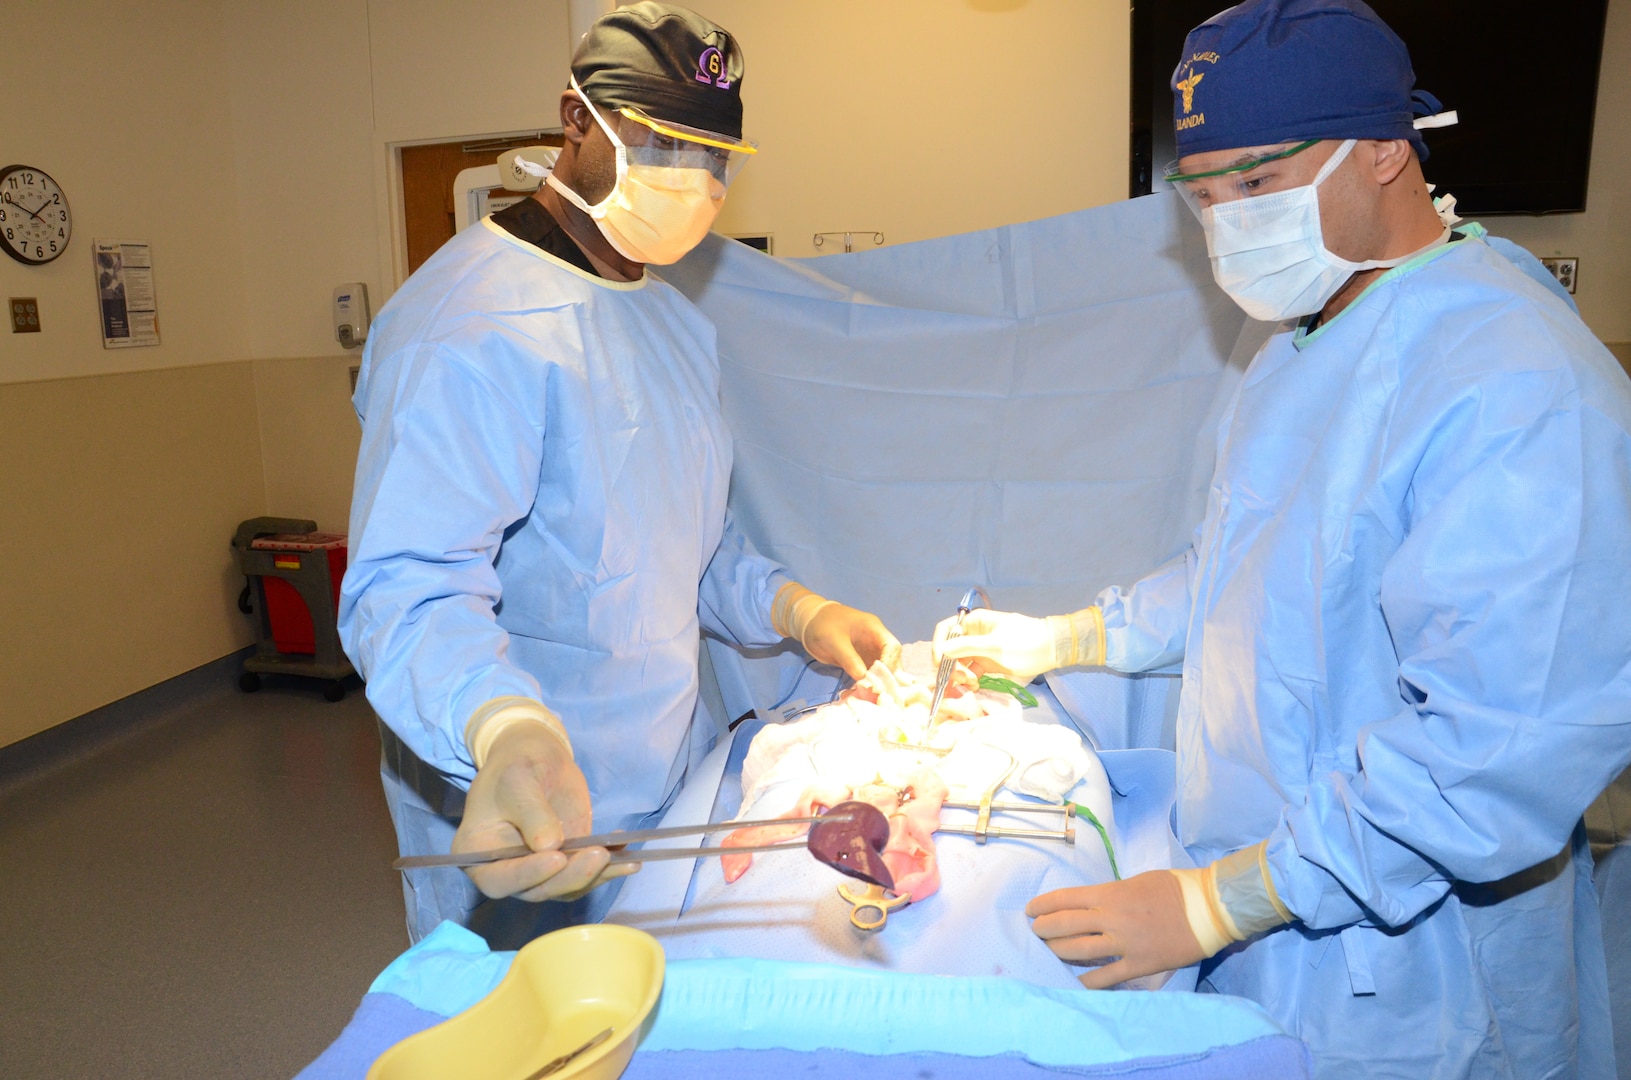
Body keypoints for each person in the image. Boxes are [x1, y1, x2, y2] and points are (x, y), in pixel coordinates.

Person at [936, 1, 1631, 1075]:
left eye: (1255, 185)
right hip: (1285, 905)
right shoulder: (1310, 339)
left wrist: (1222, 903)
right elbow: (1252, 571)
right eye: (1202, 195)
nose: (1227, 223)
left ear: (1385, 152)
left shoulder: (1515, 383)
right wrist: (1071, 636)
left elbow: (1487, 754)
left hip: (1418, 971)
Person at [340, 2, 895, 947]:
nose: (695, 179)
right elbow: (406, 586)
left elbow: (691, 543)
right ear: (576, 120)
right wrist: (508, 730)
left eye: (714, 157)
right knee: (527, 1027)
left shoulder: (675, 323)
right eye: (665, 143)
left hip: (657, 772)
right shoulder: (467, 326)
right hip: (518, 799)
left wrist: (799, 610)